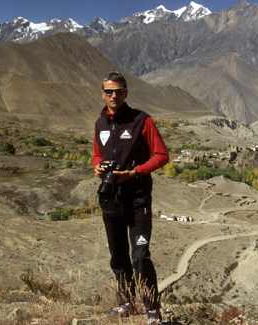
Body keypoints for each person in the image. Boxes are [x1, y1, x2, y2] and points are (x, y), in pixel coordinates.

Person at [92, 71, 169, 324]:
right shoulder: (100, 124)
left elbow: (161, 156)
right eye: (109, 91)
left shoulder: (142, 121)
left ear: (126, 93)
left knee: (140, 256)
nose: (114, 95)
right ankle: (126, 303)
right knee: (118, 256)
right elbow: (96, 154)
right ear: (102, 94)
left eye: (119, 91)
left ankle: (152, 310)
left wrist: (133, 173)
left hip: (138, 200)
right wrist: (97, 167)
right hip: (111, 200)